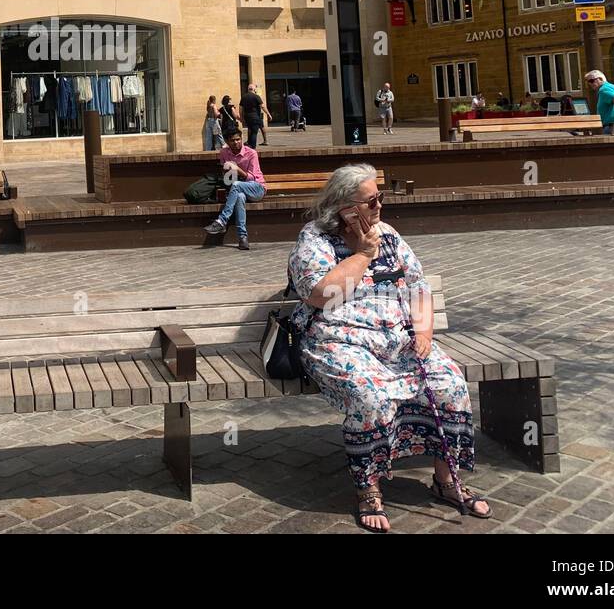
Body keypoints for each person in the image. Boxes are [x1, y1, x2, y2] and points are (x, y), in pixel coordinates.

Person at [289, 164, 492, 531]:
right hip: (338, 342)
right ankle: (368, 489)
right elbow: (319, 295)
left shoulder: (390, 235)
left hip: (397, 340)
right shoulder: (315, 240)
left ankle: (447, 480)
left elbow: (418, 286)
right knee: (372, 395)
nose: (379, 206)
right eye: (371, 200)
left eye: (380, 197)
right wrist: (363, 255)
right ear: (344, 208)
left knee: (449, 382)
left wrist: (425, 331)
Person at [203, 129, 267, 251]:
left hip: (257, 188)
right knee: (239, 197)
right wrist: (227, 172)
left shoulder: (251, 153)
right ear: (227, 142)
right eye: (232, 140)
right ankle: (243, 238)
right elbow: (226, 178)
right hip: (238, 190)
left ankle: (222, 221)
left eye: (238, 139)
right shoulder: (224, 153)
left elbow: (252, 177)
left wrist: (237, 169)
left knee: (237, 185)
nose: (236, 142)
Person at [586, 70, 614, 135]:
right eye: (588, 82)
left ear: (600, 79)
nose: (590, 84)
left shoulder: (603, 90)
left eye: (591, 81)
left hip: (612, 128)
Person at [240, 83, 265, 149]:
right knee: (254, 132)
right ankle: (253, 147)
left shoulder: (244, 97)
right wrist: (268, 114)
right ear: (254, 89)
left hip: (247, 117)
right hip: (255, 116)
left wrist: (241, 117)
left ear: (248, 89)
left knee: (250, 130)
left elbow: (241, 109)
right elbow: (262, 106)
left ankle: (249, 145)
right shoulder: (256, 96)